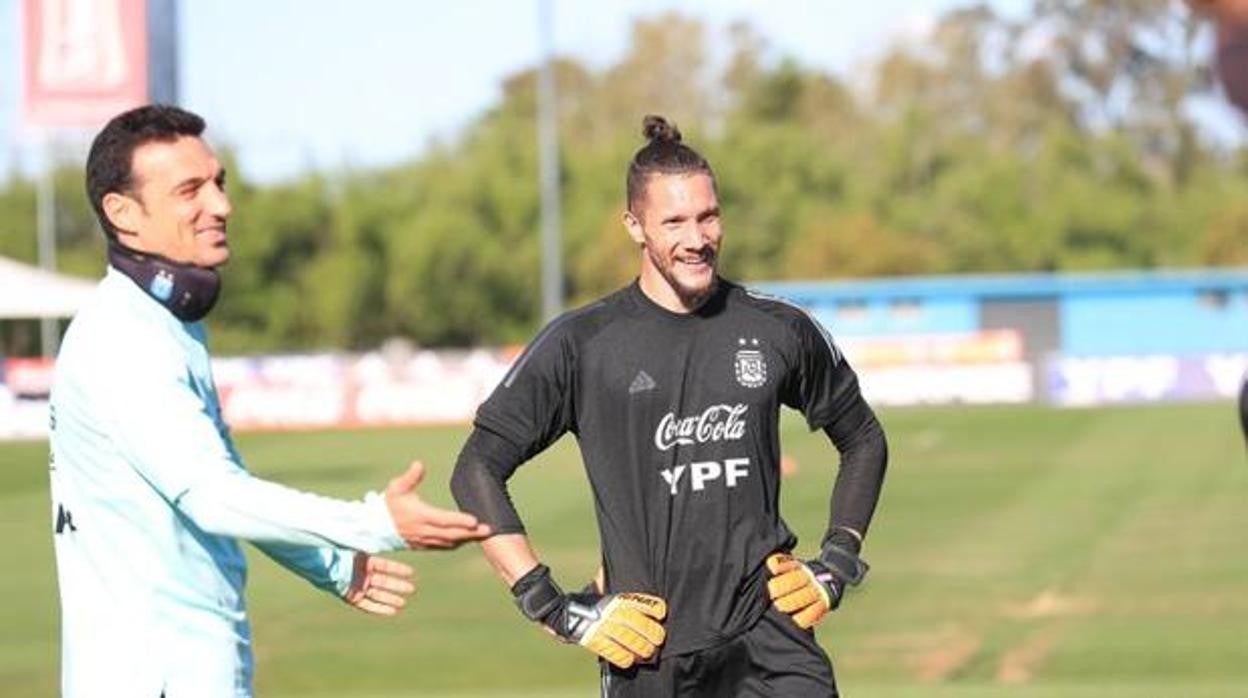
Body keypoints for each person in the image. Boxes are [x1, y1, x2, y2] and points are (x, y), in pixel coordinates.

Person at [50, 104, 491, 697]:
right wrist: (373, 523)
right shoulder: (124, 339)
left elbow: (220, 483)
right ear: (122, 213)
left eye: (219, 183)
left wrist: (330, 564)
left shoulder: (160, 323)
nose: (221, 206)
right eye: (190, 190)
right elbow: (212, 497)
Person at [451, 115, 888, 697]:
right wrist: (552, 605)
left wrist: (836, 562)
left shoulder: (778, 327)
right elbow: (475, 469)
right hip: (649, 652)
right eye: (674, 221)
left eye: (708, 216)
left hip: (773, 642)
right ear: (634, 225)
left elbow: (863, 439)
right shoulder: (583, 343)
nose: (697, 238)